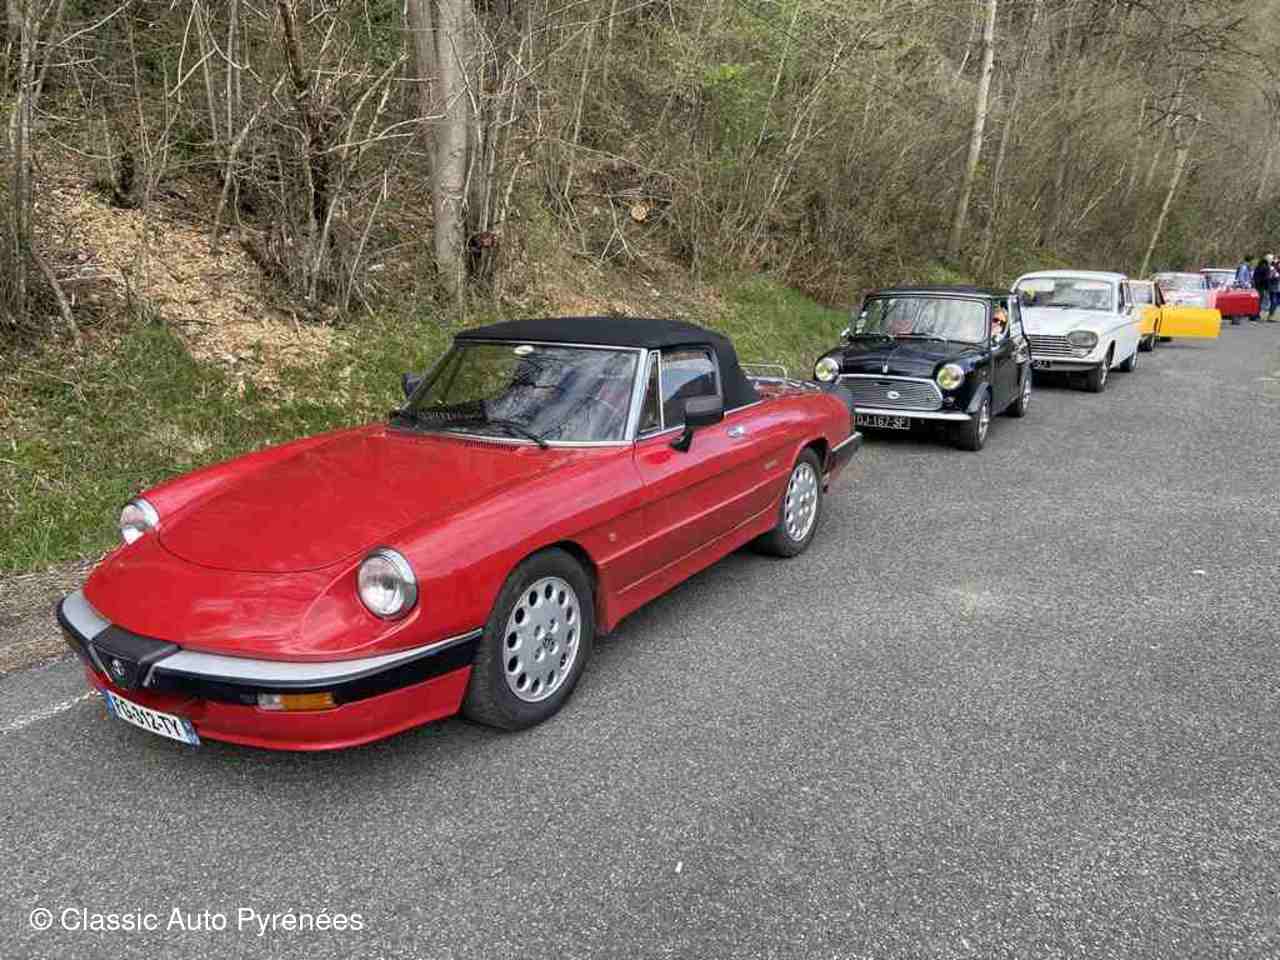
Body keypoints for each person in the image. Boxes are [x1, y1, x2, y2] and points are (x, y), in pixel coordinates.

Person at [1251, 256, 1270, 322]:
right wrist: (1267, 288)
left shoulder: (1257, 268)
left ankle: (1253, 315)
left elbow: (1254, 277)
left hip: (1256, 287)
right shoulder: (1266, 268)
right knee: (1259, 302)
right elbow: (1266, 279)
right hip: (1262, 287)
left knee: (1255, 302)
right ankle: (1256, 315)